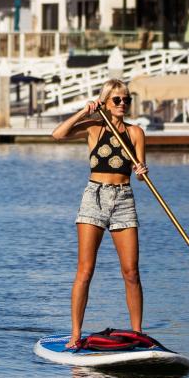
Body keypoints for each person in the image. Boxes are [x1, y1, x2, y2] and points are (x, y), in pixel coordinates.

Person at [50, 79, 148, 350]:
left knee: (131, 272)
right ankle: (75, 334)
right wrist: (85, 111)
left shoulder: (136, 132)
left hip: (124, 198)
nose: (122, 104)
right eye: (117, 100)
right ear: (105, 102)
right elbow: (58, 134)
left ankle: (137, 334)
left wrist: (142, 172)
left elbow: (139, 171)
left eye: (126, 100)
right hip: (94, 197)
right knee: (85, 270)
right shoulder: (93, 128)